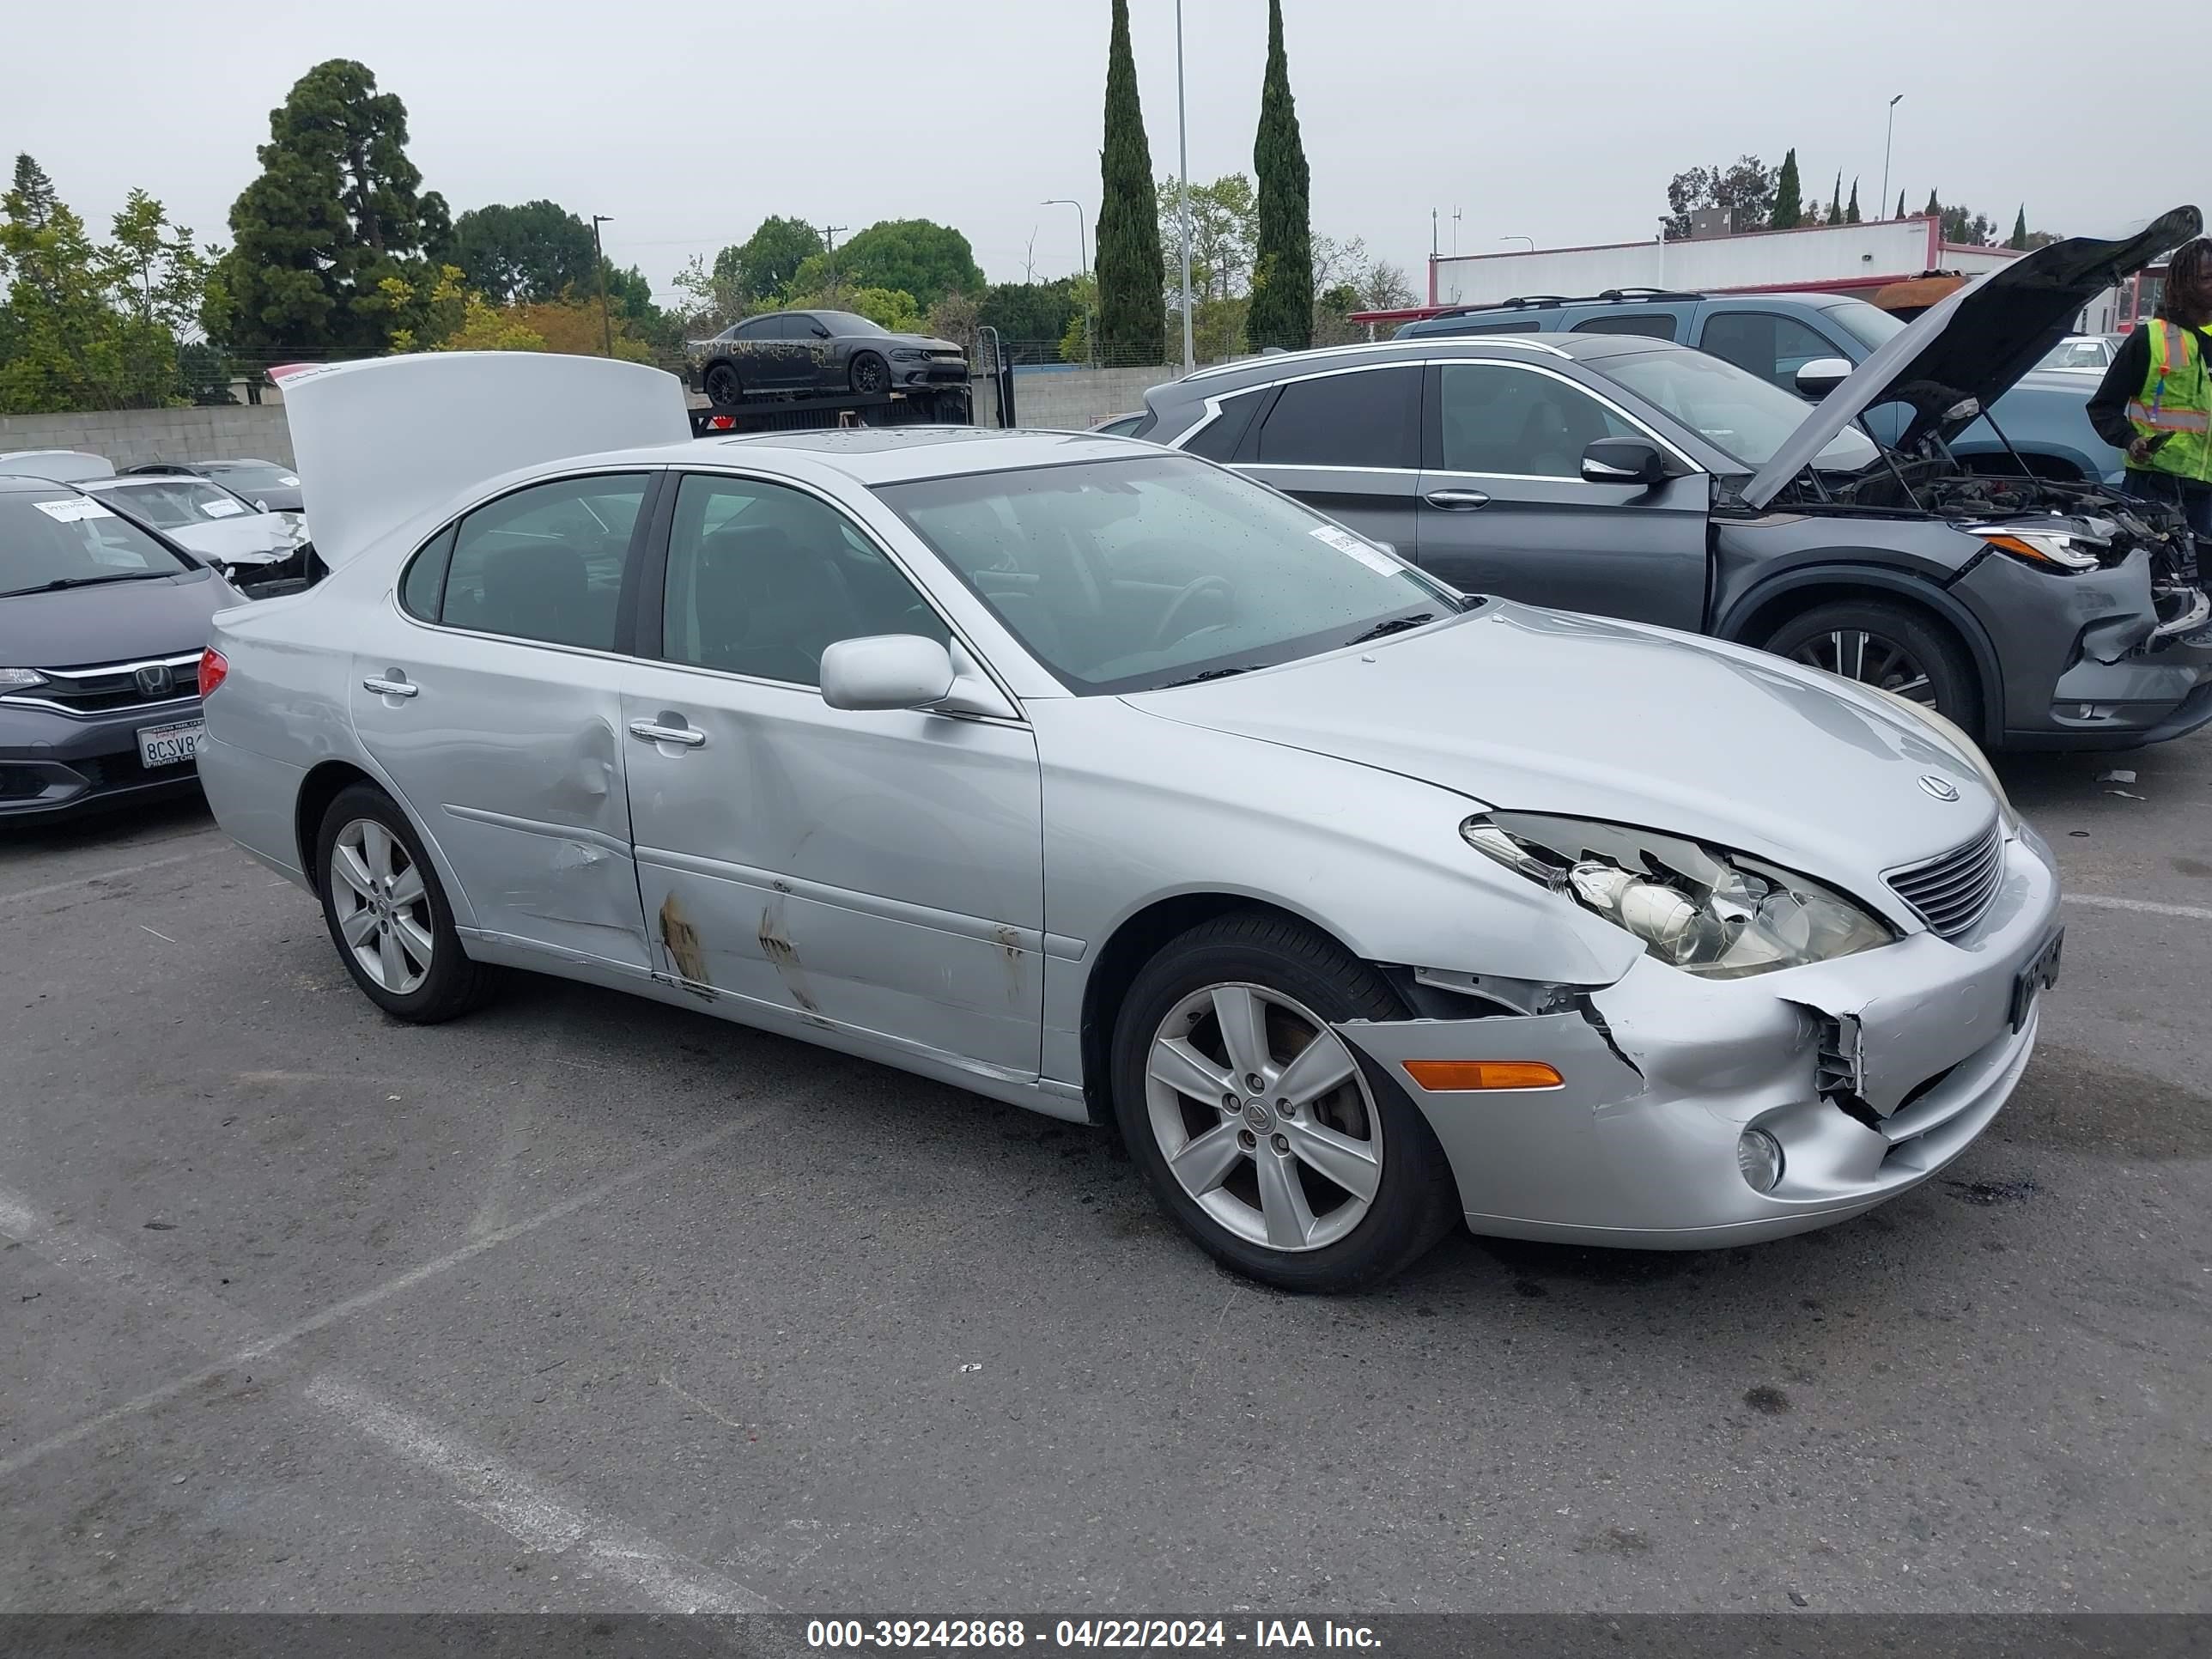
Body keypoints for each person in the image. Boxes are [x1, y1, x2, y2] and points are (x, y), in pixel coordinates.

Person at [2088, 238, 2212, 550]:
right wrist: (2131, 440)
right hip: (2157, 488)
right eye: (2207, 278)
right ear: (2184, 282)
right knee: (2158, 579)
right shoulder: (2151, 339)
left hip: (2209, 494)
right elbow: (2103, 406)